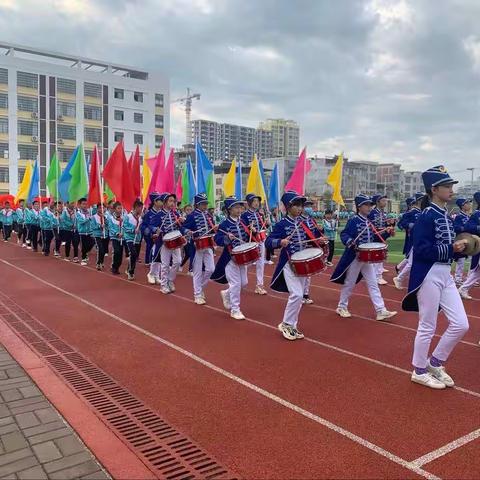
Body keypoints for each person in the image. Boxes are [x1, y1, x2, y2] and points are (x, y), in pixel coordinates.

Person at [402, 166, 469, 389]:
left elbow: (448, 247)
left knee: (461, 324)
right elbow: (421, 249)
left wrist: (461, 247)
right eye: (447, 186)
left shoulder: (446, 216)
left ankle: (435, 362)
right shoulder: (426, 217)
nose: (451, 190)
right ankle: (418, 370)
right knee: (427, 325)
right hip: (428, 273)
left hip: (445, 273)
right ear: (434, 189)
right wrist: (452, 248)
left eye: (451, 186)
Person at [266, 192, 323, 340]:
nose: (300, 208)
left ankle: (293, 325)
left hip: (303, 264)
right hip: (288, 264)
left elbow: (310, 240)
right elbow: (268, 241)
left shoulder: (303, 223)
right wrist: (280, 242)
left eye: (301, 205)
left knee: (299, 296)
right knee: (297, 294)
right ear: (288, 207)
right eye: (296, 205)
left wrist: (319, 240)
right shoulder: (281, 224)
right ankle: (286, 323)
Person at [331, 194, 397, 321]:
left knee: (373, 283)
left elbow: (375, 238)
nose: (369, 207)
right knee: (350, 283)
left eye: (370, 205)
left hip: (366, 257)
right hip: (355, 257)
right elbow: (344, 234)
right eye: (366, 205)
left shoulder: (368, 222)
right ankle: (341, 306)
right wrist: (350, 241)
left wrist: (387, 232)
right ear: (359, 207)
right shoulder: (353, 220)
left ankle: (380, 310)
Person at [211, 196, 250, 320]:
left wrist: (252, 232)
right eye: (236, 207)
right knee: (236, 284)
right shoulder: (224, 224)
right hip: (230, 259)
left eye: (240, 207)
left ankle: (226, 293)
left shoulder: (242, 222)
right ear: (229, 210)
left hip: (242, 257)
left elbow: (247, 237)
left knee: (244, 282)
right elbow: (217, 239)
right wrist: (227, 238)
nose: (239, 210)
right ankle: (235, 309)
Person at [183, 193, 216, 304]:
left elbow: (212, 230)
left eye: (206, 203)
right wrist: (188, 231)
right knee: (197, 271)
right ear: (197, 205)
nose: (205, 206)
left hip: (208, 244)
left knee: (211, 269)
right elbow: (183, 227)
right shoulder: (192, 216)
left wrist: (214, 229)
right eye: (203, 204)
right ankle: (197, 295)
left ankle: (200, 288)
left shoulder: (209, 216)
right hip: (196, 246)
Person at [393, 192, 425, 290]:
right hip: (414, 241)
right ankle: (399, 278)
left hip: (422, 240)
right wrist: (411, 225)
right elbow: (402, 223)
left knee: (416, 262)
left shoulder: (424, 212)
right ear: (419, 201)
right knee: (411, 263)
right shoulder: (410, 213)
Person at [157, 193, 184, 294]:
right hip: (165, 242)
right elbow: (152, 226)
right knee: (165, 264)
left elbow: (181, 227)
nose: (173, 203)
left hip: (176, 241)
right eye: (170, 201)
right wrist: (156, 230)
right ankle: (163, 285)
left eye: (174, 201)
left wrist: (182, 223)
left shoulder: (175, 213)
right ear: (165, 203)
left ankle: (170, 280)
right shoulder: (159, 215)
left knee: (178, 261)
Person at [241, 193, 268, 295]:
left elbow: (262, 227)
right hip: (250, 242)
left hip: (260, 240)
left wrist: (267, 223)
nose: (257, 203)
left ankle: (259, 285)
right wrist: (249, 228)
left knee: (261, 263)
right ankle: (240, 283)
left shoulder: (259, 214)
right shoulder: (244, 215)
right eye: (254, 201)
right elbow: (243, 228)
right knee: (246, 264)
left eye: (257, 201)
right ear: (249, 203)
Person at [458, 192, 480, 300]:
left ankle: (463, 288)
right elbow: (468, 227)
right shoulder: (477, 214)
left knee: (477, 273)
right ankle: (463, 288)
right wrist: (478, 228)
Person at [368, 194, 390, 285]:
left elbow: (383, 225)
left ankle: (379, 270)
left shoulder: (381, 212)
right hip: (376, 237)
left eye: (385, 200)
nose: (385, 202)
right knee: (376, 256)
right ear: (377, 202)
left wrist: (388, 227)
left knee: (380, 254)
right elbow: (371, 227)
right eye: (383, 200)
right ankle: (377, 276)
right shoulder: (373, 213)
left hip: (381, 236)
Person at [143, 193, 163, 283]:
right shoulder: (149, 214)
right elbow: (144, 226)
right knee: (154, 254)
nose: (162, 202)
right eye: (160, 200)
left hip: (161, 237)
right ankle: (151, 274)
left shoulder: (162, 213)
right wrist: (150, 232)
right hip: (152, 238)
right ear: (155, 202)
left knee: (159, 256)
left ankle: (156, 275)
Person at [452, 198, 472, 286]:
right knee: (461, 260)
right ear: (462, 206)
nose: (469, 205)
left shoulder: (469, 216)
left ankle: (469, 278)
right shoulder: (459, 216)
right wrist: (465, 228)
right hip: (461, 240)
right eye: (467, 203)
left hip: (469, 241)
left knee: (470, 259)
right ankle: (458, 278)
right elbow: (455, 227)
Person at [123, 199, 143, 281]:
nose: (141, 209)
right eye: (140, 208)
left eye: (142, 208)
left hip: (137, 239)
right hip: (129, 238)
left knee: (134, 256)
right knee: (133, 253)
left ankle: (128, 269)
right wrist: (133, 230)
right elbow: (124, 227)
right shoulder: (128, 216)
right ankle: (131, 272)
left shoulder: (141, 218)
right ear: (135, 207)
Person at [107, 201, 125, 275]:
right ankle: (114, 266)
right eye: (118, 208)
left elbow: (125, 226)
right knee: (116, 251)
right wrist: (117, 233)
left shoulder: (124, 217)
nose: (120, 210)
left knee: (120, 254)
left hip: (122, 238)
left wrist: (122, 233)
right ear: (114, 209)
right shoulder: (111, 218)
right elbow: (111, 227)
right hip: (115, 237)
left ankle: (117, 267)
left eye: (121, 208)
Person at [76, 198, 94, 266]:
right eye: (83, 204)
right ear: (80, 205)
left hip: (89, 231)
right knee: (84, 246)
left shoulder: (90, 211)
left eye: (86, 204)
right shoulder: (78, 213)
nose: (85, 205)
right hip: (82, 232)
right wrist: (88, 219)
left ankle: (86, 252)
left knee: (92, 243)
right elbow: (81, 222)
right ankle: (83, 259)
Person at [91, 203, 109, 270]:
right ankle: (98, 263)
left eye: (103, 208)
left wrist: (105, 219)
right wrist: (100, 226)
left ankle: (101, 262)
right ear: (97, 209)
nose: (102, 209)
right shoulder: (94, 217)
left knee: (104, 250)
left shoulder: (106, 216)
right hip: (97, 235)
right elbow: (93, 226)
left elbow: (108, 225)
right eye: (100, 208)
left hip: (104, 235)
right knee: (100, 249)